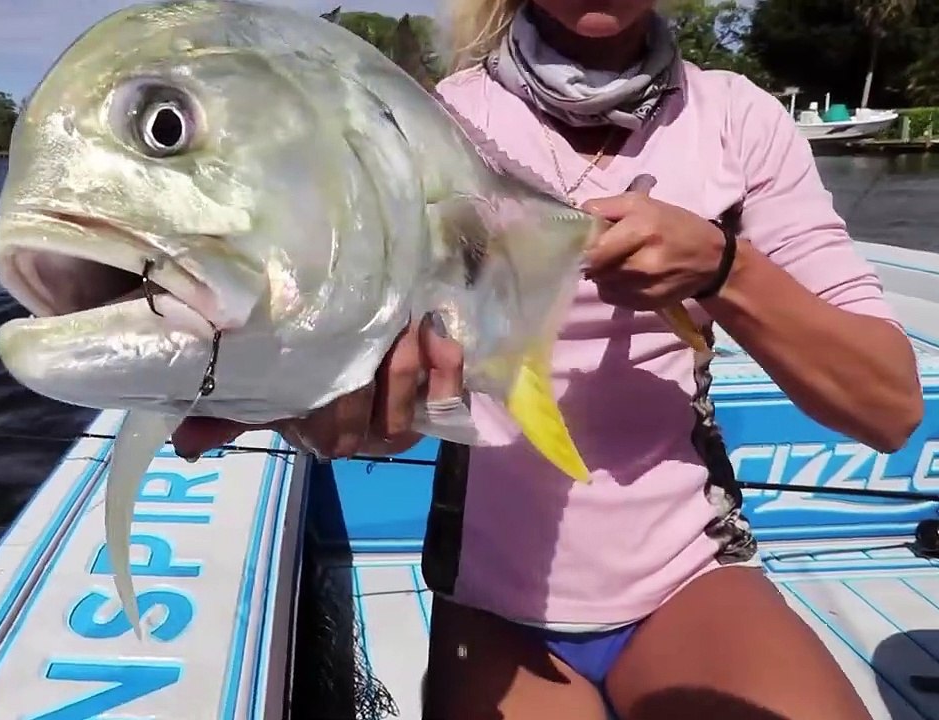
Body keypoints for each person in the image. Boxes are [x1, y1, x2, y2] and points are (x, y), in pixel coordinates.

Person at [174, 0, 925, 717]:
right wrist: (324, 397)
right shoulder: (434, 121)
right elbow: (407, 409)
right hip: (494, 596)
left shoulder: (741, 121)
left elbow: (889, 409)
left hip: (690, 576)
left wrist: (726, 270)